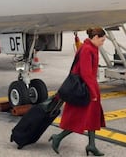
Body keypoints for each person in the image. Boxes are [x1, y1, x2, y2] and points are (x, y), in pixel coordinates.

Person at [49, 27, 106, 156]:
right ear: (95, 38)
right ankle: (58, 137)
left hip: (89, 87)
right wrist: (93, 92)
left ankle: (91, 145)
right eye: (102, 40)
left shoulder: (92, 47)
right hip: (85, 89)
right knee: (79, 119)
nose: (103, 43)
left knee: (93, 117)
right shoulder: (87, 49)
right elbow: (86, 74)